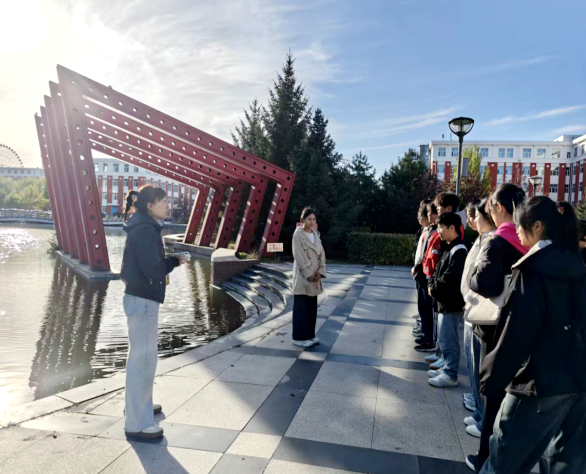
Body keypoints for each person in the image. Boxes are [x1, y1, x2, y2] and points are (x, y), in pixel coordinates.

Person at [478, 196, 586, 474]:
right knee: (565, 464)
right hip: (578, 379)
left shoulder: (533, 268)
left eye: (519, 225)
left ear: (537, 226)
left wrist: (491, 378)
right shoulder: (577, 263)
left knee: (503, 462)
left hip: (539, 382)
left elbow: (518, 332)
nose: (516, 231)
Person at [466, 183, 528, 471]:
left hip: (495, 327)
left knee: (493, 393)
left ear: (500, 208)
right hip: (523, 326)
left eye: (491, 208)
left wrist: (472, 276)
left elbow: (485, 283)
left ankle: (485, 458)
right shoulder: (530, 241)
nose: (489, 214)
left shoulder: (497, 240)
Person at [121, 185, 182, 439]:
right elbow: (153, 270)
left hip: (139, 297)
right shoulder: (146, 230)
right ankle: (138, 423)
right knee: (144, 360)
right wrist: (175, 262)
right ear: (150, 205)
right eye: (163, 201)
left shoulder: (143, 226)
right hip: (143, 299)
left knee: (139, 358)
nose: (167, 205)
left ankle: (138, 406)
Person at [461, 198, 496, 438]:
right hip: (471, 308)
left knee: (480, 366)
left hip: (481, 311)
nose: (472, 220)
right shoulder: (482, 239)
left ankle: (484, 417)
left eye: (475, 216)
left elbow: (480, 278)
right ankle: (478, 410)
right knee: (472, 363)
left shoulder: (493, 241)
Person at [427, 212, 467, 387]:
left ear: (452, 228)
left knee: (450, 341)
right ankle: (446, 368)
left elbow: (451, 278)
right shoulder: (448, 247)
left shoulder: (459, 250)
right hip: (443, 302)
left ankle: (451, 374)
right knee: (444, 339)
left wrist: (434, 289)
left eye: (441, 228)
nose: (438, 231)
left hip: (451, 303)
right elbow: (436, 271)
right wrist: (431, 284)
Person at [292, 208, 327, 348]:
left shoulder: (316, 234)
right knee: (301, 308)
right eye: (309, 219)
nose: (312, 222)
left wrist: (320, 271)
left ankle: (310, 335)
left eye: (313, 219)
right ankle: (298, 338)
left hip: (315, 278)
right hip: (303, 277)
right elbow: (299, 255)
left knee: (312, 308)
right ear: (303, 220)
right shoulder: (298, 235)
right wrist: (309, 273)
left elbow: (322, 254)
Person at [412, 202, 436, 351]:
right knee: (423, 308)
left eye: (431, 213)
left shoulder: (434, 232)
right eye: (426, 214)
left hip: (428, 276)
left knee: (428, 309)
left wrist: (419, 267)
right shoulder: (426, 231)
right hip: (422, 275)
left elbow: (429, 256)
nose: (428, 216)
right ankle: (426, 335)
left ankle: (430, 340)